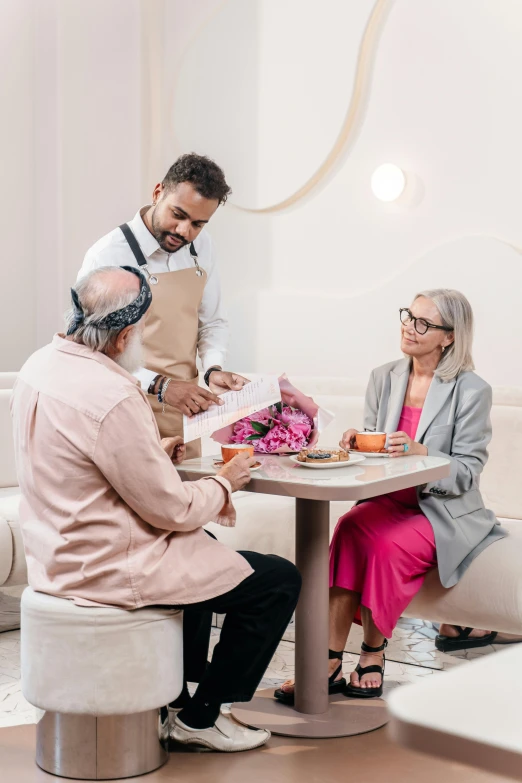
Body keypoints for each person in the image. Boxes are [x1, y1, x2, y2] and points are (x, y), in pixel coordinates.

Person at [11, 266, 301, 751]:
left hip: (56, 551)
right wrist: (224, 482)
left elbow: (82, 463)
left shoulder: (40, 365)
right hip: (108, 566)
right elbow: (173, 511)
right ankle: (203, 718)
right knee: (277, 581)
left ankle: (176, 697)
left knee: (204, 552)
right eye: (142, 328)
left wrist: (151, 453)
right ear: (124, 334)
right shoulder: (113, 392)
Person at [275, 289, 506, 703]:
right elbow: (379, 451)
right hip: (385, 498)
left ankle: (373, 652)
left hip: (440, 510)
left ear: (448, 337)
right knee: (348, 527)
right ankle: (327, 662)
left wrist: (423, 454)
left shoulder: (472, 390)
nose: (409, 327)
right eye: (407, 316)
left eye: (423, 323)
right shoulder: (385, 377)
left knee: (382, 544)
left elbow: (467, 472)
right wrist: (356, 442)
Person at [78, 153, 249, 458]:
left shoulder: (203, 245)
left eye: (198, 223)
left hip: (184, 415)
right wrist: (161, 386)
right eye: (178, 214)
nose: (185, 231)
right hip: (122, 411)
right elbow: (91, 351)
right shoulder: (107, 255)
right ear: (158, 193)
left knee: (195, 504)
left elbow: (212, 322)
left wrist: (212, 370)